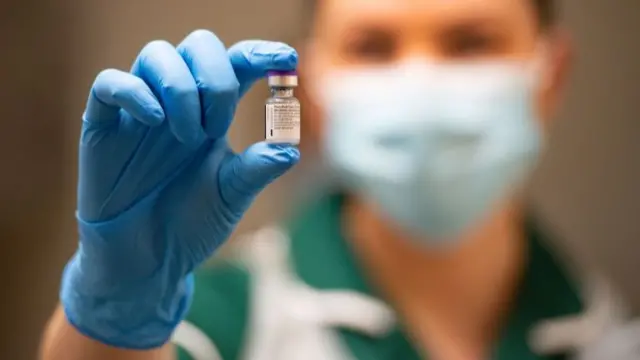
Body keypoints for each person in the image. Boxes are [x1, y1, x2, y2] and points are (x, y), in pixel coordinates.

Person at [38, 0, 630, 359]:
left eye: (470, 41)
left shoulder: (610, 333)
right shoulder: (217, 321)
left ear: (550, 76)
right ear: (313, 89)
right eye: (372, 46)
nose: (420, 84)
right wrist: (115, 319)